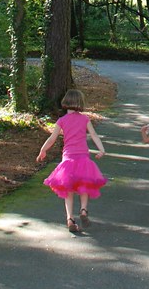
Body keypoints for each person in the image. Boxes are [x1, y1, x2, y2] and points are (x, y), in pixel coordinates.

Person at [37, 88, 107, 233]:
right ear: (80, 103)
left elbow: (52, 138)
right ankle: (83, 210)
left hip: (68, 158)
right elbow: (93, 134)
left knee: (67, 191)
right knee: (84, 186)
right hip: (83, 157)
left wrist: (43, 150)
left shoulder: (62, 121)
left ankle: (70, 218)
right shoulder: (85, 119)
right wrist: (101, 149)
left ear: (65, 102)